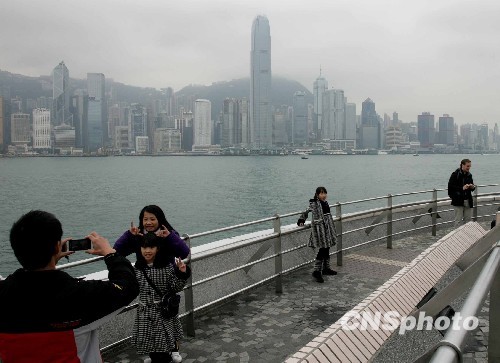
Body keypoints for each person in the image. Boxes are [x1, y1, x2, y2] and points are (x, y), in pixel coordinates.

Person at [0, 210, 139, 363]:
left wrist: (50, 260)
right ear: (56, 247)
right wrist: (110, 253)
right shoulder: (79, 296)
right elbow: (128, 287)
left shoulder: (4, 293)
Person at [132, 232, 191, 363]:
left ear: (157, 249)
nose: (147, 251)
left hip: (161, 312)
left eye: (151, 247)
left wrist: (182, 274)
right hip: (145, 312)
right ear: (140, 249)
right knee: (151, 345)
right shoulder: (136, 268)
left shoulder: (166, 267)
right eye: (144, 247)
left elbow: (176, 288)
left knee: (162, 347)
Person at [114, 205, 190, 265]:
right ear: (141, 220)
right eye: (145, 219)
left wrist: (170, 237)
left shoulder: (168, 234)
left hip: (166, 278)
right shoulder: (138, 236)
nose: (148, 222)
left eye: (152, 219)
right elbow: (117, 251)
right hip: (143, 280)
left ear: (159, 220)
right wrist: (129, 235)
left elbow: (184, 253)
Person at [297, 186, 338, 283]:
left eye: (325, 193)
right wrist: (301, 219)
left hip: (327, 228)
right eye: (321, 193)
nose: (323, 195)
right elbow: (306, 211)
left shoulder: (325, 202)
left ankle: (326, 268)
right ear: (317, 194)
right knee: (322, 249)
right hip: (320, 230)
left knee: (327, 248)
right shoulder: (314, 203)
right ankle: (316, 271)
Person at [448, 159, 475, 227]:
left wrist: (472, 187)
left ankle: (467, 236)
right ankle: (457, 236)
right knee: (458, 221)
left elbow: (472, 185)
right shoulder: (455, 174)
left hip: (468, 200)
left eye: (470, 166)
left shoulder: (469, 175)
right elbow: (450, 187)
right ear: (462, 165)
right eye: (467, 166)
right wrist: (462, 188)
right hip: (458, 201)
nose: (469, 168)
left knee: (468, 221)